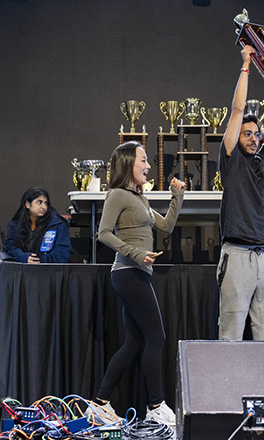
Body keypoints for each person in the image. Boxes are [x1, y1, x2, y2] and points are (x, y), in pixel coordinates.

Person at [88, 141, 185, 427]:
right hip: (127, 272)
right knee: (156, 337)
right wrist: (136, 253)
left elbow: (165, 226)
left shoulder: (139, 198)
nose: (148, 166)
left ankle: (100, 403)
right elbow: (103, 233)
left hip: (138, 273)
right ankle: (156, 406)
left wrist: (177, 196)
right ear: (129, 163)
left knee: (134, 343)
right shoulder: (117, 195)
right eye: (143, 160)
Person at [217, 45, 264, 341]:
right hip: (237, 255)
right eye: (248, 133)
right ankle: (224, 389)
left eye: (256, 134)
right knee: (231, 335)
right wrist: (246, 65)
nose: (254, 138)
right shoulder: (231, 158)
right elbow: (237, 111)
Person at [4, 187, 71, 263]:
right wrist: (23, 257)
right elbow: (9, 246)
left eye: (46, 203)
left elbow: (62, 253)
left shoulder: (58, 224)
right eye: (39, 202)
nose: (44, 207)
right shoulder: (16, 224)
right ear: (28, 204)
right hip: (21, 270)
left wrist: (39, 261)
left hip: (49, 271)